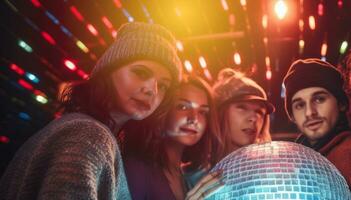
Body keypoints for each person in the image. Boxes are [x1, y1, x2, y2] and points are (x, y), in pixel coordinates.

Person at [0, 22, 182, 199]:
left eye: (164, 85)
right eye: (141, 73)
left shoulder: (90, 131)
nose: (153, 90)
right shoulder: (89, 135)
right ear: (108, 71)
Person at [122, 76, 224, 200]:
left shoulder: (186, 177)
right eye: (183, 107)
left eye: (202, 112)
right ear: (163, 109)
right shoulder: (137, 168)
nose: (194, 119)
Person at [283, 58, 351, 187]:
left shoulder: (347, 155)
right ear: (292, 115)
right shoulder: (295, 159)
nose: (309, 112)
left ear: (341, 103)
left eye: (319, 99)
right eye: (299, 105)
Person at [212, 68, 275, 160]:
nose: (253, 118)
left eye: (259, 112)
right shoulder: (195, 172)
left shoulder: (270, 168)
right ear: (220, 112)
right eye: (242, 107)